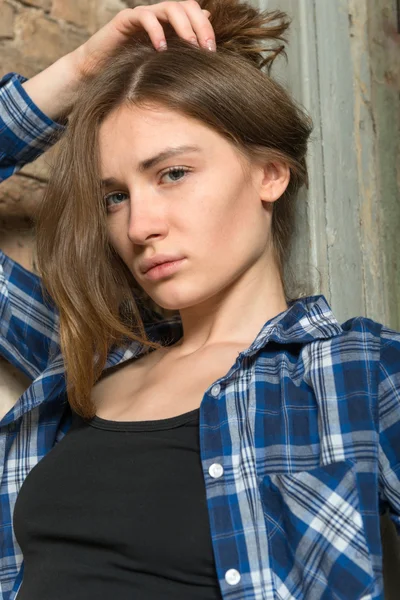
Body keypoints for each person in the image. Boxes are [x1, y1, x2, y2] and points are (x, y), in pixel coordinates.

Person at [0, 0, 399, 598]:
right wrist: (79, 74)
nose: (140, 226)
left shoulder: (359, 375)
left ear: (270, 172)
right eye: (116, 197)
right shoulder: (83, 359)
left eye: (173, 174)